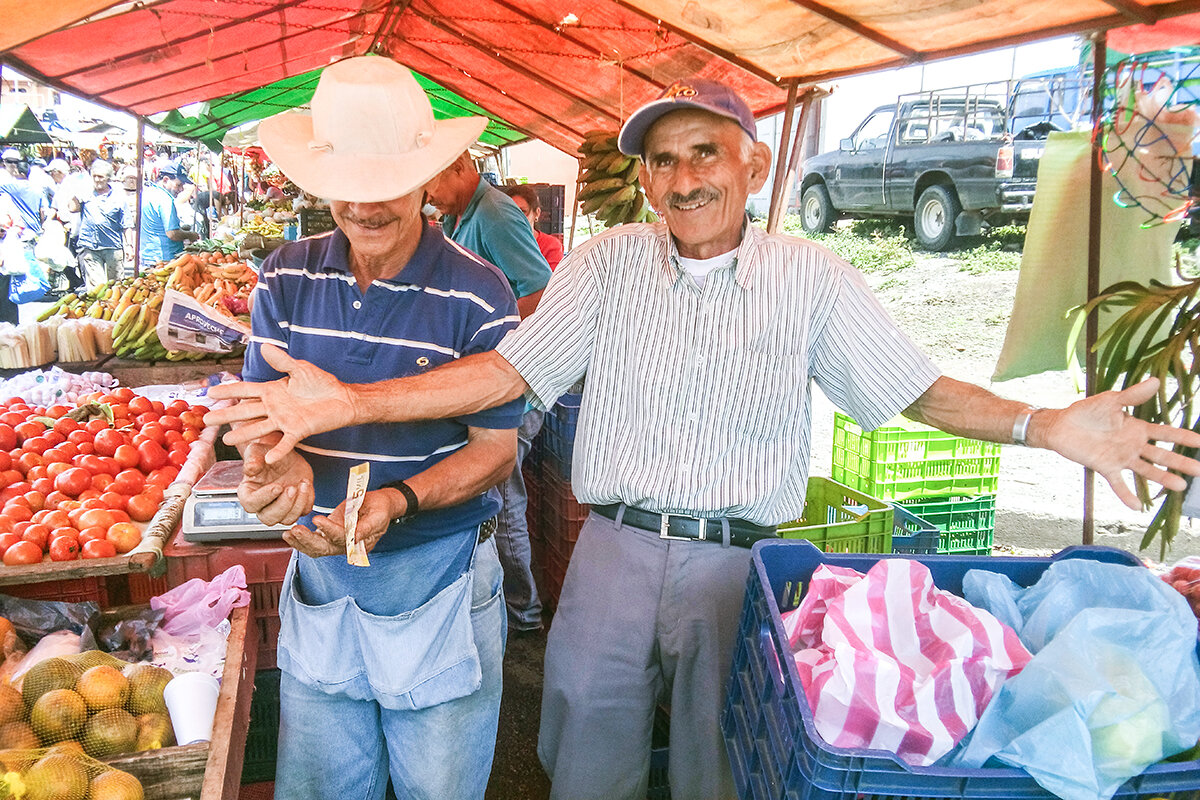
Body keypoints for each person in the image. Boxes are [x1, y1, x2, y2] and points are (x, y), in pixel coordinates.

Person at [207, 78, 1200, 800]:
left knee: (717, 769)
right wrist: (351, 405)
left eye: (704, 152)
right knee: (584, 759)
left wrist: (1044, 423)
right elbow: (508, 376)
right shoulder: (604, 266)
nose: (683, 178)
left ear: (752, 161)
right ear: (642, 177)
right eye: (663, 159)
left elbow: (915, 390)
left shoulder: (814, 280)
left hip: (739, 564)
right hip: (612, 550)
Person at [230, 55, 523, 798]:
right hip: (324, 569)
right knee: (326, 784)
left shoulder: (479, 291)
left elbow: (495, 451)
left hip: (440, 567)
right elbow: (266, 416)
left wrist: (399, 502)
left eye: (386, 186)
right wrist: (279, 467)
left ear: (429, 177)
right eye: (347, 190)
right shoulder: (286, 276)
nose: (366, 208)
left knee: (438, 785)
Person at [425, 150, 552, 636]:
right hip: (481, 387)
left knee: (501, 498)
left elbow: (542, 290)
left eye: (431, 180)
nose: (428, 195)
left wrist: (480, 325)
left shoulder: (496, 213)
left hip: (510, 387)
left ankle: (523, 614)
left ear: (459, 165)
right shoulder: (461, 218)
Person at [0, 148, 49, 323]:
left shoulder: (7, 189)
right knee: (20, 271)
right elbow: (44, 212)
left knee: (10, 276)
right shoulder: (38, 189)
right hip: (28, 235)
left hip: (11, 241)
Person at [70, 160, 127, 289]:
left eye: (100, 176)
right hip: (90, 246)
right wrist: (76, 195)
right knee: (97, 288)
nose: (97, 179)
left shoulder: (118, 196)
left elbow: (126, 223)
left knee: (116, 286)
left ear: (108, 178)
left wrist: (129, 245)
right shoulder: (86, 193)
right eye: (94, 176)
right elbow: (72, 208)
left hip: (113, 246)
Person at [138, 159, 198, 268]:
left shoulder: (147, 193)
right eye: (178, 185)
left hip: (148, 254)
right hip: (164, 258)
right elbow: (172, 234)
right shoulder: (165, 200)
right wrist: (190, 235)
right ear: (166, 180)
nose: (180, 189)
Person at [499, 183, 564, 270]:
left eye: (523, 212)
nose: (516, 217)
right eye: (511, 211)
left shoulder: (551, 246)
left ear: (537, 213)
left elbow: (554, 281)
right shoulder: (498, 243)